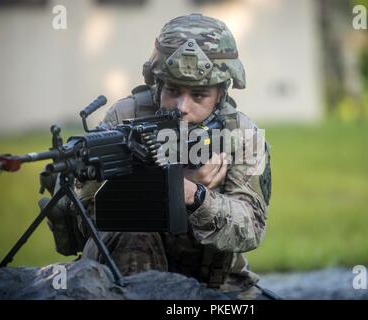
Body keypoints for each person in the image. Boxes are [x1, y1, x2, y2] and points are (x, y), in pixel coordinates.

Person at [50, 13, 275, 300]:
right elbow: (87, 216)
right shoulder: (126, 117)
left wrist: (196, 197)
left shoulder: (242, 135)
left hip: (217, 282)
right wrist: (170, 187)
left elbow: (250, 229)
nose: (182, 106)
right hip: (126, 275)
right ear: (157, 83)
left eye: (199, 95)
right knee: (131, 232)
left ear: (221, 92)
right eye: (172, 90)